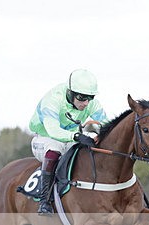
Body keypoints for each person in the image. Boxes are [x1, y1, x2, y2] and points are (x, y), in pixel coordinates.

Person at [28, 68, 108, 215]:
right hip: (46, 137)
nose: (86, 103)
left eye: (90, 98)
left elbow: (107, 124)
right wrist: (77, 136)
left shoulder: (91, 103)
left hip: (70, 137)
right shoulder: (53, 100)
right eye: (82, 98)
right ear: (70, 93)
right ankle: (44, 201)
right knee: (54, 151)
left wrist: (97, 132)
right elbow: (53, 130)